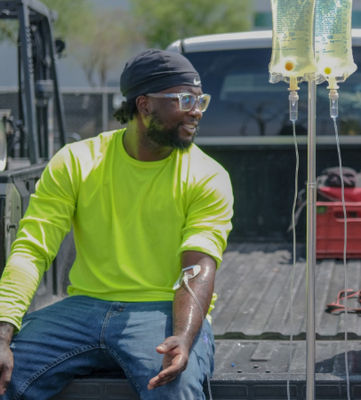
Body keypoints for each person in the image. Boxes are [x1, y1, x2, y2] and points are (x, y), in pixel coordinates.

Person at [0, 49, 233, 400]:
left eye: (201, 100)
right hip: (82, 309)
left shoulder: (208, 176)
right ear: (144, 105)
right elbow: (32, 250)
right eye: (185, 99)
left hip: (162, 309)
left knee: (174, 384)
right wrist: (2, 335)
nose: (196, 110)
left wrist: (184, 338)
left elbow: (198, 267)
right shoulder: (77, 162)